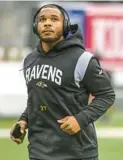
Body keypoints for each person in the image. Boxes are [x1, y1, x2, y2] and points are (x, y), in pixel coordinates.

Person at [10, 4, 115, 160]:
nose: (47, 23)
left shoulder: (83, 59)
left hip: (77, 153)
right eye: (42, 19)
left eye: (54, 19)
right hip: (38, 152)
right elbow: (37, 98)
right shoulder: (30, 60)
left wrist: (80, 119)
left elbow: (107, 95)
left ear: (65, 25)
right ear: (35, 26)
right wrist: (24, 120)